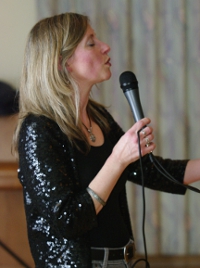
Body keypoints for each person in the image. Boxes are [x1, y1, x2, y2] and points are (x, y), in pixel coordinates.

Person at [13, 13, 200, 268]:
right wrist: (117, 159)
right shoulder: (39, 130)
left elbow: (153, 171)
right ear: (63, 62)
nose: (105, 46)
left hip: (122, 261)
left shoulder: (98, 117)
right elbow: (68, 220)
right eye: (91, 42)